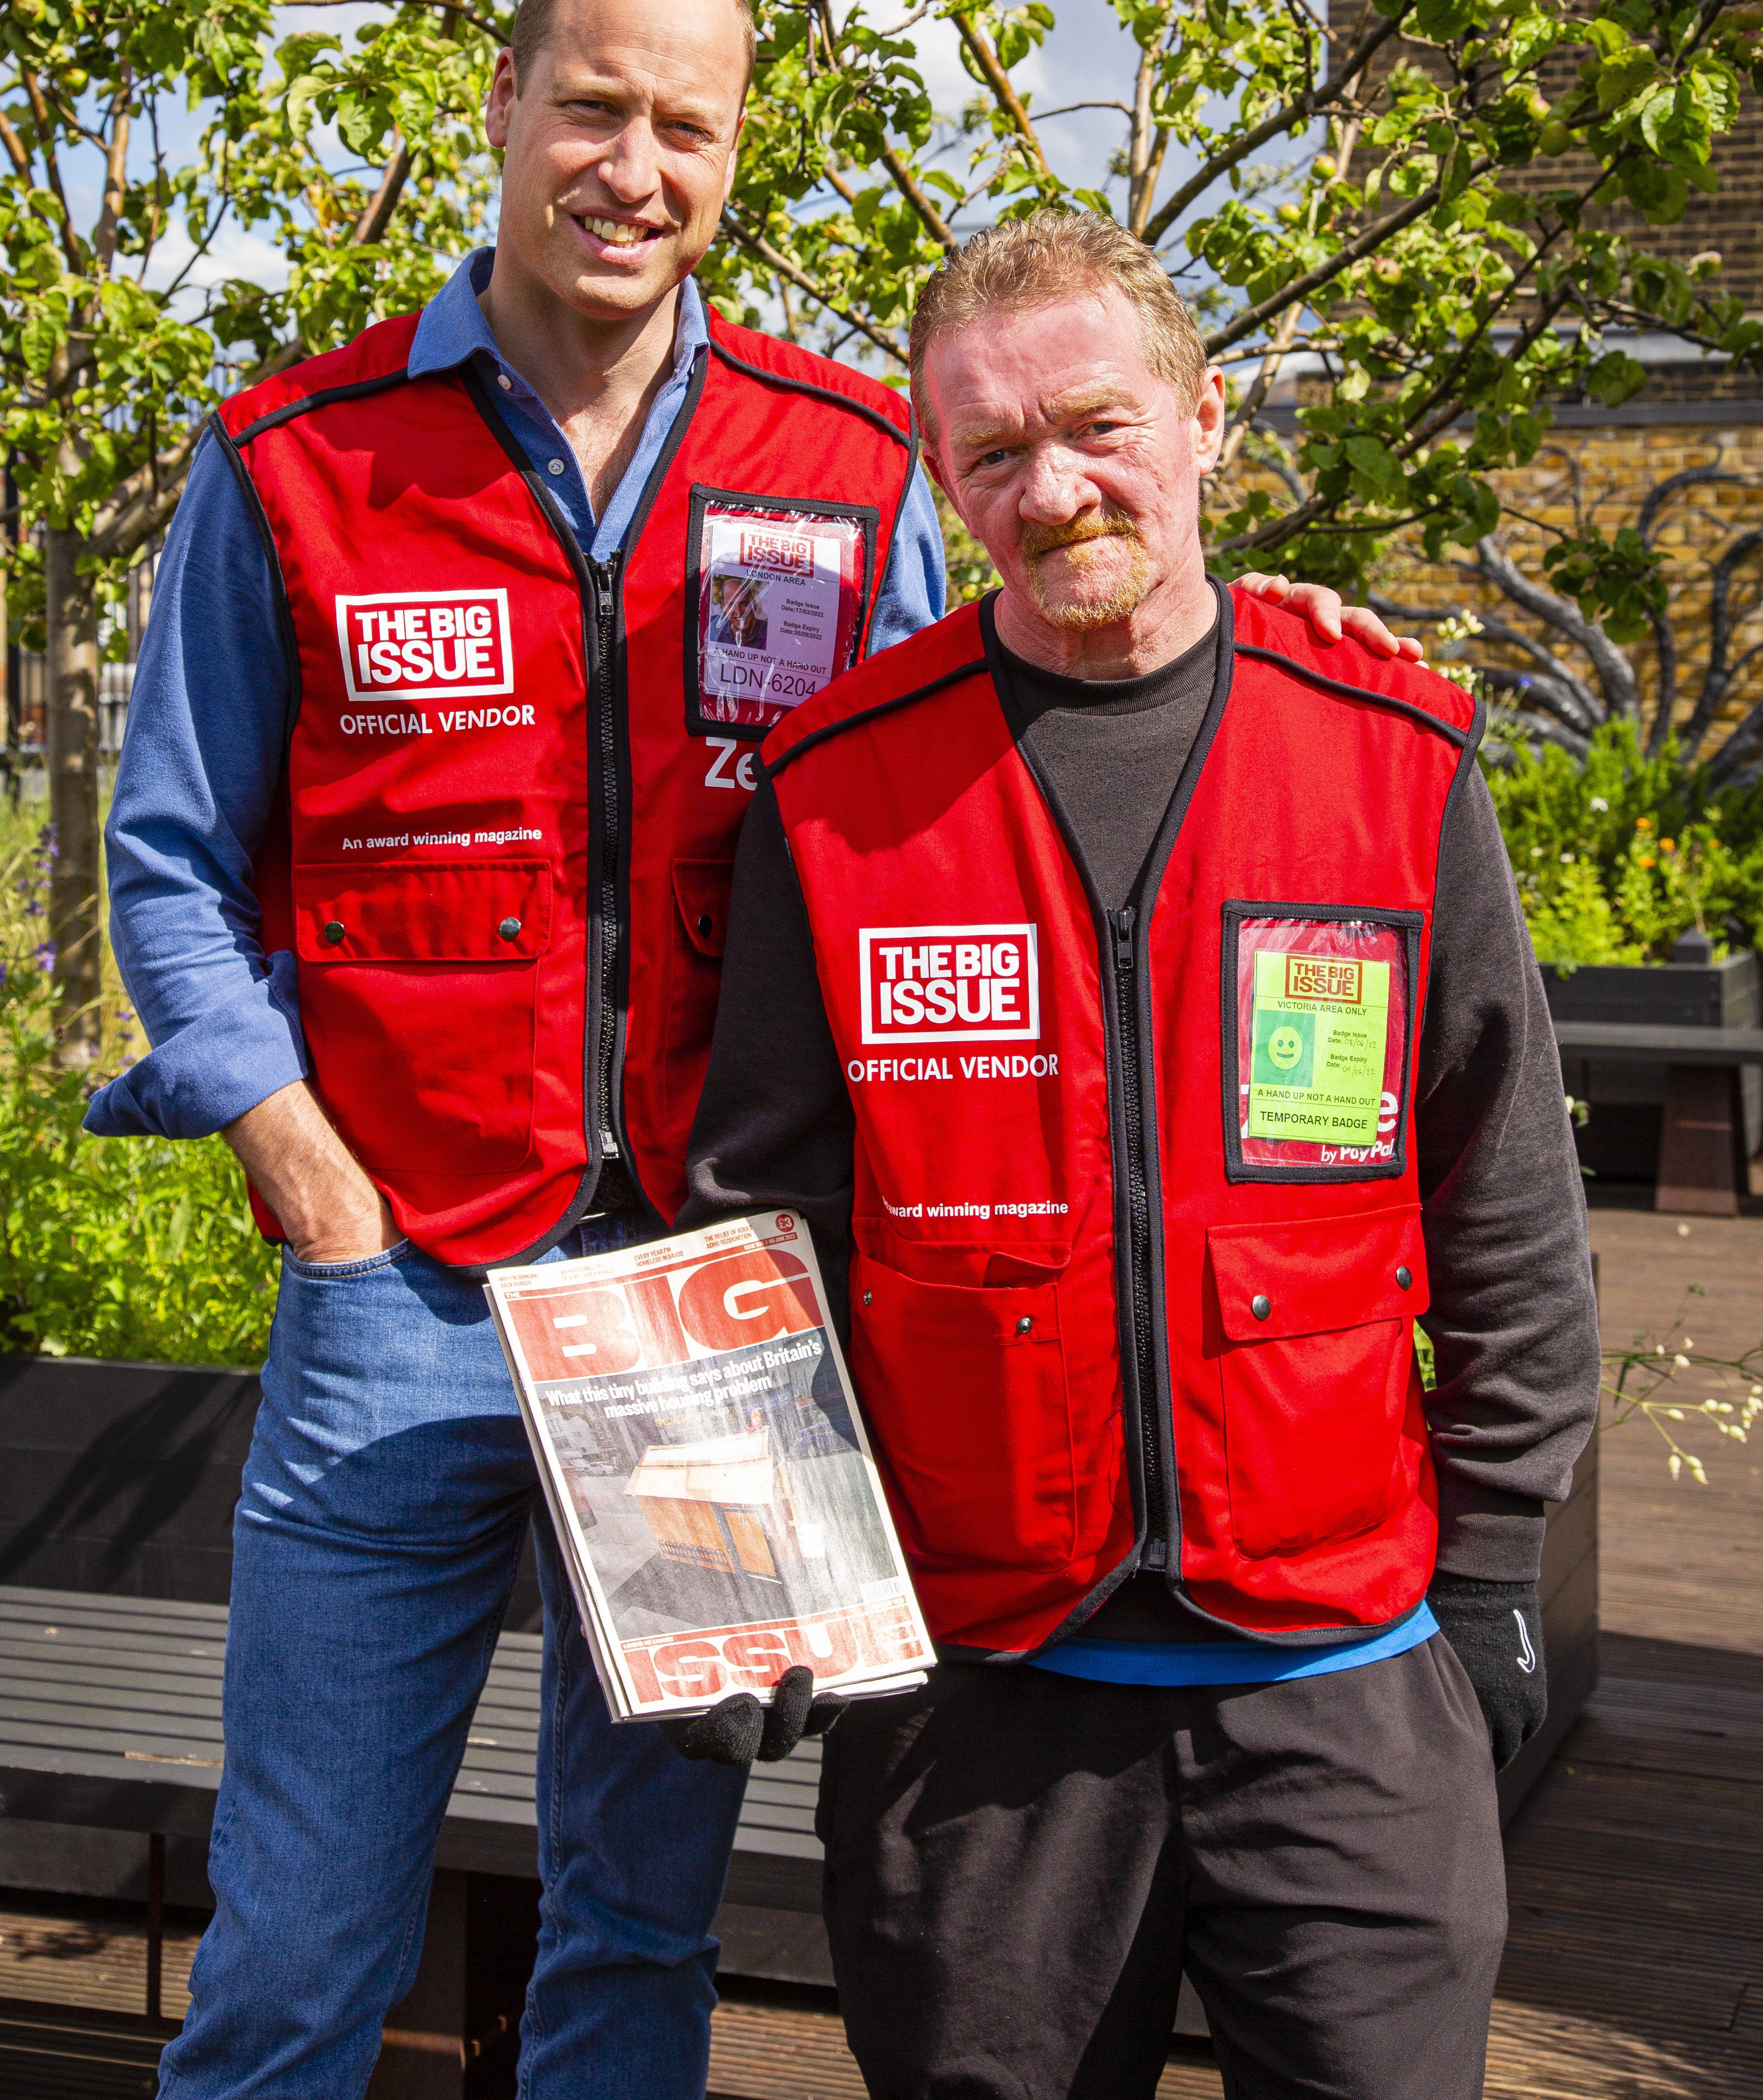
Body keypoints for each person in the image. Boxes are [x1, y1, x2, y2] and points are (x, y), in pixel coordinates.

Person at [91, 0, 1394, 2098]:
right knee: (303, 1938)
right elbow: (171, 860)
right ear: (502, 106)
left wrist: (1234, 604)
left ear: (732, 153)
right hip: (395, 1289)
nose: (633, 160)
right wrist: (300, 1164)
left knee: (639, 1920)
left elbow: (1024, 683)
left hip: (714, 1307)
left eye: (685, 122)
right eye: (593, 102)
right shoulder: (300, 460)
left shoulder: (844, 456)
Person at [685, 210, 1599, 2100]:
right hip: (980, 1709)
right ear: (944, 481)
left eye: (1093, 423)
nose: (1054, 486)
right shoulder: (846, 796)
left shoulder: (1389, 764)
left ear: (1202, 422)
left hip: (1340, 1683)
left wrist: (1501, 1560)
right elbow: (758, 1224)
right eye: (992, 454)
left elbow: (1502, 1193)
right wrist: (749, 1572)